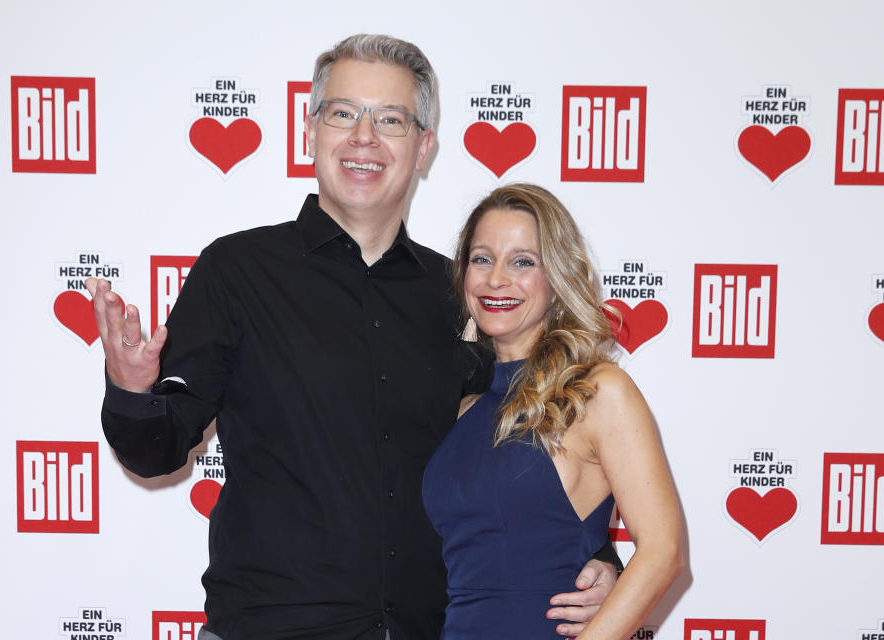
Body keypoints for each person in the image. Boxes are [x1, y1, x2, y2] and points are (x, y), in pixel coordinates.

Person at [86, 35, 620, 640]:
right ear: (310, 130)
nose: (363, 136)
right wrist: (133, 391)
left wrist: (600, 558)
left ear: (422, 149)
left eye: (390, 119)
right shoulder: (236, 271)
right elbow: (156, 451)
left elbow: (527, 445)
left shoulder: (461, 296)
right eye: (343, 113)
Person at [422, 183, 685, 639]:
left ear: (557, 277)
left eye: (523, 261)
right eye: (482, 258)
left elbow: (663, 552)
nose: (496, 278)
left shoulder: (598, 392)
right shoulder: (465, 408)